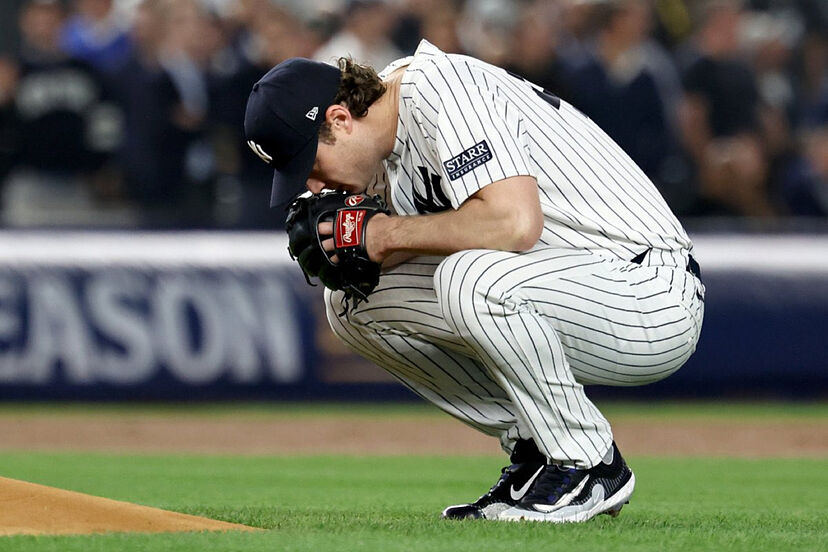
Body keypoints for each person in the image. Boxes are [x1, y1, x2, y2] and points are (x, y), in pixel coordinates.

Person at [244, 39, 705, 523]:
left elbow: (513, 225)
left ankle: (587, 462)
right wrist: (359, 251)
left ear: (339, 120)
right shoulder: (387, 150)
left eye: (309, 163)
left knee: (470, 278)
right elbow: (410, 246)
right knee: (352, 303)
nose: (314, 187)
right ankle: (539, 447)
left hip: (650, 290)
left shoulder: (441, 88)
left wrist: (384, 234)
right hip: (570, 285)